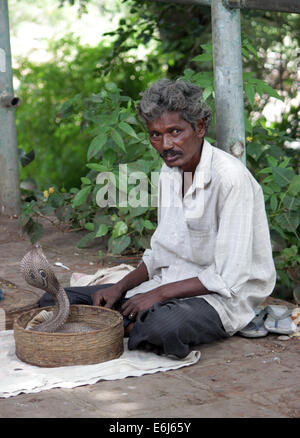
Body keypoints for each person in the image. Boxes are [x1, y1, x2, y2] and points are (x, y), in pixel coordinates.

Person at [40, 79, 276, 358]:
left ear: (199, 127)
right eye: (155, 135)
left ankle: (126, 324)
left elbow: (228, 277)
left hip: (223, 298)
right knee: (55, 299)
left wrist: (159, 295)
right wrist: (121, 286)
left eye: (175, 132)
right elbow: (160, 252)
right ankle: (125, 324)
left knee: (161, 327)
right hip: (171, 282)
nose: (165, 145)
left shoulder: (231, 180)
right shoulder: (170, 172)